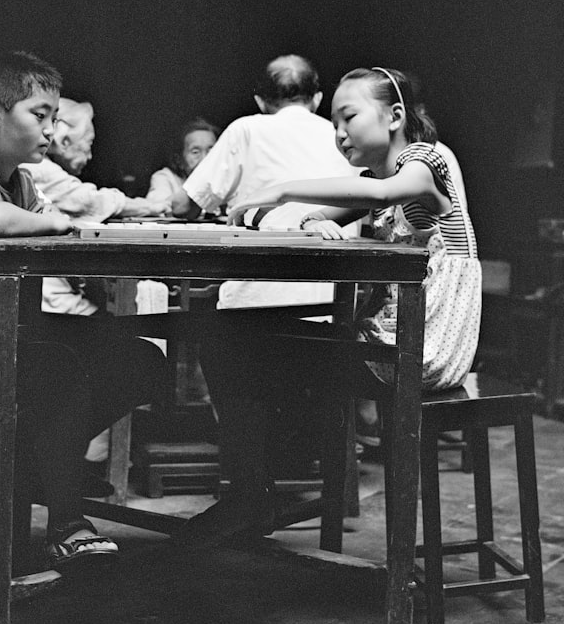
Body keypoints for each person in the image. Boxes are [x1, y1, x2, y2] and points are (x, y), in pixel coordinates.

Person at [181, 66, 481, 542]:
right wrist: (306, 221)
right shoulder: (378, 179)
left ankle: (251, 495)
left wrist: (283, 188)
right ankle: (255, 491)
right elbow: (312, 215)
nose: (339, 133)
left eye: (349, 117)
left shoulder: (428, 162)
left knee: (231, 343)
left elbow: (379, 193)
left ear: (395, 115)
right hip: (394, 345)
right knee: (233, 336)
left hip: (419, 353)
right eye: (335, 122)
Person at [0, 50, 166, 572]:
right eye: (39, 115)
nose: (50, 129)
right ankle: (67, 523)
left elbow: (53, 227)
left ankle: (43, 466)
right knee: (57, 369)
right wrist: (58, 223)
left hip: (0, 320)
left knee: (140, 359)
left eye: (53, 117)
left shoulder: (22, 179)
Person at [175, 54, 359, 309]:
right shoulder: (344, 138)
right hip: (332, 303)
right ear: (317, 99)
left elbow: (185, 206)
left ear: (260, 102)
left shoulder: (247, 129)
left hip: (257, 301)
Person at [24, 97, 168, 225]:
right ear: (64, 141)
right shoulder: (40, 167)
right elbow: (88, 201)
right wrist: (149, 206)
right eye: (89, 144)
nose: (91, 156)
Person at [144, 117, 220, 216]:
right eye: (195, 152)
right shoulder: (164, 178)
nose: (204, 158)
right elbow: (159, 208)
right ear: (179, 158)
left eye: (211, 151)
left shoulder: (227, 179)